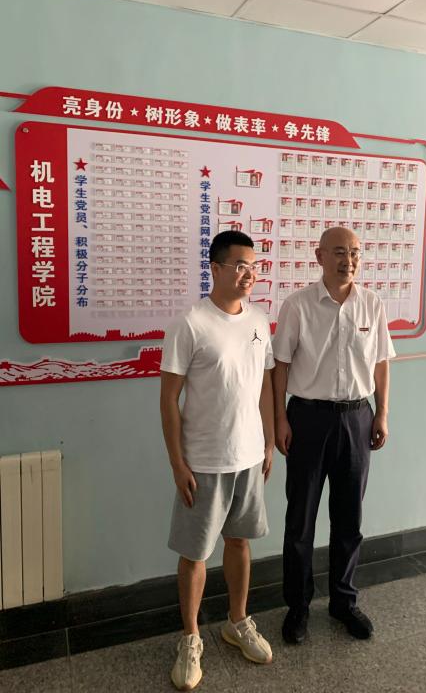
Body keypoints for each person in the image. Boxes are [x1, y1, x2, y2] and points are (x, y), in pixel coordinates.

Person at [160, 230, 275, 690]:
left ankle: (237, 621)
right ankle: (190, 638)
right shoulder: (190, 324)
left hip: (248, 456)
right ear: (215, 268)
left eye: (254, 266)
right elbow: (169, 399)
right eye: (240, 266)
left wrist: (268, 443)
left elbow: (264, 386)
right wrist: (177, 463)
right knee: (194, 554)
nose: (249, 274)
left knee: (240, 542)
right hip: (204, 460)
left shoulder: (259, 320)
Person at [272, 226, 395, 645]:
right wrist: (279, 419)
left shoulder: (372, 304)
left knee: (349, 518)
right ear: (319, 256)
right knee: (300, 520)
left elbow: (381, 362)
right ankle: (298, 607)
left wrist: (382, 413)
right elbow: (280, 366)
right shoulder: (298, 305)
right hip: (308, 419)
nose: (349, 260)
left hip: (357, 418)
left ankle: (344, 601)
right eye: (340, 252)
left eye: (355, 252)